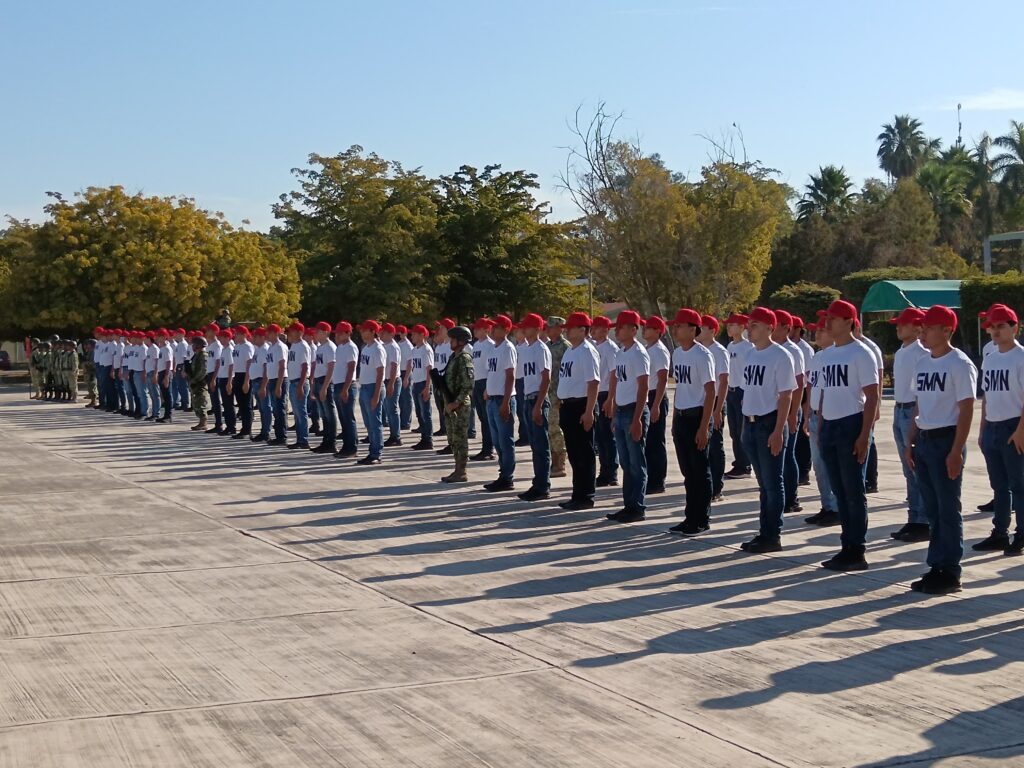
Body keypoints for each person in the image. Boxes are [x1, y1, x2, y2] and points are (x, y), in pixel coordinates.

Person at [904, 305, 976, 594]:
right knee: (932, 509)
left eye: (929, 327)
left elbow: (967, 407)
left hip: (946, 439)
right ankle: (937, 565)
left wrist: (956, 450)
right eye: (922, 326)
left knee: (947, 509)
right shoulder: (923, 363)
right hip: (925, 439)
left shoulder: (959, 364)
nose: (923, 331)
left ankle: (950, 570)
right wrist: (911, 439)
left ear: (947, 330)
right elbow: (919, 404)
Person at [816, 300, 881, 571]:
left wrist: (864, 434)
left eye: (833, 318)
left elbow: (873, 396)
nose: (827, 323)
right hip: (830, 425)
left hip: (850, 424)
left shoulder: (860, 353)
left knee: (853, 490)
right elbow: (822, 394)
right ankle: (846, 545)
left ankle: (857, 549)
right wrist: (820, 425)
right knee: (839, 490)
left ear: (849, 322)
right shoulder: (827, 355)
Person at [739, 307, 797, 553]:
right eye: (749, 325)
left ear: (769, 328)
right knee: (764, 484)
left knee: (773, 483)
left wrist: (778, 430)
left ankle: (772, 535)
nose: (749, 329)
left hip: (768, 422)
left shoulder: (780, 355)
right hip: (749, 423)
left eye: (754, 325)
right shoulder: (751, 355)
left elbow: (786, 395)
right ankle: (764, 532)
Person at [975, 304, 1024, 555]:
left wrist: (1020, 430)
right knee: (999, 486)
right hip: (993, 426)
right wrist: (983, 430)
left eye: (1001, 326)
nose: (995, 331)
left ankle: (1021, 535)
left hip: (1013, 426)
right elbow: (987, 397)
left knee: (1019, 485)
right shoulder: (991, 358)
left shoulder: (1021, 357)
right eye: (992, 327)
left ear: (1015, 328)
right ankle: (1000, 533)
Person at [668, 308, 716, 535]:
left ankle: (701, 519)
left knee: (700, 470)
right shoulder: (677, 353)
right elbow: (681, 387)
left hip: (697, 416)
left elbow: (710, 391)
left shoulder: (702, 355)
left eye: (680, 325)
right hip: (682, 416)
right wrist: (675, 417)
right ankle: (690, 517)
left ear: (692, 329)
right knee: (688, 471)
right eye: (675, 325)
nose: (676, 329)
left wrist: (704, 426)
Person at [887, 308, 931, 542]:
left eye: (903, 324)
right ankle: (914, 517)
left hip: (912, 410)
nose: (898, 327)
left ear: (917, 327)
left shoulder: (921, 353)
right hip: (899, 408)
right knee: (908, 469)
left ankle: (922, 520)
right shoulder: (901, 351)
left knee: (916, 468)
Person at [605, 310, 651, 523]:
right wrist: (613, 407)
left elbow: (643, 387)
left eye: (622, 327)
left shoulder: (638, 353)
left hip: (634, 410)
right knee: (625, 462)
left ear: (633, 329)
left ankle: (637, 507)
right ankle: (628, 505)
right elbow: (616, 381)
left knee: (636, 462)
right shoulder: (621, 352)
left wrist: (638, 419)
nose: (617, 330)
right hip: (622, 410)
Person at [556, 312, 601, 510]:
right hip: (568, 406)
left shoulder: (586, 351)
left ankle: (586, 496)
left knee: (584, 453)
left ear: (583, 330)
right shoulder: (570, 351)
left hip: (581, 406)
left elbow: (593, 383)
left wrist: (589, 410)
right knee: (574, 454)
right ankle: (577, 493)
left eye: (571, 327)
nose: (567, 330)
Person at [802, 321, 840, 527]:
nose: (817, 333)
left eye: (822, 330)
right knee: (819, 465)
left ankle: (836, 507)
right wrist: (807, 414)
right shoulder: (817, 357)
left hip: (828, 417)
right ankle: (827, 506)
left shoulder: (836, 355)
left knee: (830, 464)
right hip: (815, 415)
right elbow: (811, 387)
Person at [771, 310, 806, 514]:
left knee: (787, 454)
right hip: (774, 410)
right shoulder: (771, 349)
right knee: (778, 456)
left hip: (790, 409)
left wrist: (794, 413)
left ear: (786, 328)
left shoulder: (793, 351)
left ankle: (791, 498)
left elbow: (799, 384)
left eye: (777, 324)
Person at [516, 313, 553, 501]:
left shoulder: (541, 349)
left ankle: (543, 486)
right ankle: (537, 482)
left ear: (537, 329)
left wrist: (538, 405)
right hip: (527, 398)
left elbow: (546, 378)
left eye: (528, 326)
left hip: (537, 399)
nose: (524, 329)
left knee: (541, 446)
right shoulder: (527, 349)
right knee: (535, 446)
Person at [483, 314, 518, 491]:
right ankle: (502, 473)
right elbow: (492, 372)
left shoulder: (507, 348)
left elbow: (510, 376)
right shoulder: (492, 348)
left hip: (503, 399)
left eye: (495, 327)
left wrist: (506, 402)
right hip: (492, 398)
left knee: (505, 441)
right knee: (497, 441)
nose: (492, 329)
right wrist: (487, 390)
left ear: (505, 330)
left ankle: (507, 477)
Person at [699, 314, 730, 501]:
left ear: (712, 330)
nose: (699, 331)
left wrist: (718, 409)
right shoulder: (700, 350)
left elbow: (724, 381)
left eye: (702, 328)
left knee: (716, 445)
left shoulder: (719, 351)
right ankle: (706, 485)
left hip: (716, 399)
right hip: (702, 400)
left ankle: (717, 488)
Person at [441, 325, 475, 483]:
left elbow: (468, 384)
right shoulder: (453, 357)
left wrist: (457, 402)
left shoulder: (464, 358)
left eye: (453, 339)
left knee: (460, 438)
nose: (450, 342)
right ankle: (457, 469)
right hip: (450, 403)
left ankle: (461, 471)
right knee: (453, 438)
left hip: (459, 405)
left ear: (460, 341)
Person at [853, 322, 885, 493]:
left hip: (867, 403)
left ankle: (871, 479)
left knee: (868, 441)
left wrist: (877, 405)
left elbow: (878, 378)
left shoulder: (869, 348)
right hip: (858, 404)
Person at [642, 315, 671, 495]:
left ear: (658, 331)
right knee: (647, 441)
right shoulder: (646, 349)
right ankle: (650, 478)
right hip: (647, 396)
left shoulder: (659, 351)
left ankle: (658, 480)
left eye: (649, 327)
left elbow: (662, 380)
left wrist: (656, 405)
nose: (644, 330)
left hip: (655, 397)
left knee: (655, 441)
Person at [724, 314, 754, 479]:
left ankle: (745, 465)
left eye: (733, 325)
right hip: (731, 391)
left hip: (742, 392)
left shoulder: (748, 347)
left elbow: (749, 373)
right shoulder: (729, 346)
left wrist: (747, 392)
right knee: (734, 431)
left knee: (742, 430)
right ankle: (739, 463)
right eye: (728, 325)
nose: (729, 328)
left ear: (743, 327)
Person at [591, 316, 620, 487]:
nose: (592, 331)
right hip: (597, 394)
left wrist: (611, 399)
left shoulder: (610, 349)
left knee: (609, 436)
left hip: (606, 394)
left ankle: (612, 473)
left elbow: (614, 375)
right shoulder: (594, 346)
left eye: (596, 328)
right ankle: (604, 470)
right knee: (600, 437)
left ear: (605, 330)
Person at [357, 320, 387, 465]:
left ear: (372, 331)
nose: (362, 333)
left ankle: (376, 453)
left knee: (375, 422)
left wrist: (376, 395)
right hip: (364, 387)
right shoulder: (365, 348)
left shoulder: (377, 348)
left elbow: (380, 372)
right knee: (369, 423)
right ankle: (371, 450)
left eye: (364, 330)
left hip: (373, 387)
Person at [546, 317, 571, 479]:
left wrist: (562, 395)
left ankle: (559, 463)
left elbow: (567, 373)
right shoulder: (547, 346)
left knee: (556, 429)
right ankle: (552, 460)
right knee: (549, 429)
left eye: (551, 327)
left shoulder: (566, 347)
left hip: (558, 395)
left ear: (559, 328)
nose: (547, 330)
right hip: (547, 394)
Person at [790, 316, 814, 485]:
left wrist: (805, 405)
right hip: (789, 393)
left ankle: (803, 472)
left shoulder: (805, 350)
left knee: (802, 437)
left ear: (797, 330)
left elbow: (807, 378)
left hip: (802, 393)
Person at [332, 322, 360, 458]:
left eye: (340, 333)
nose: (337, 335)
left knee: (348, 418)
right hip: (338, 384)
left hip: (346, 385)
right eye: (336, 333)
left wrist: (346, 388)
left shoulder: (350, 347)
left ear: (348, 333)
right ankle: (347, 445)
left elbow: (351, 368)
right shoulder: (340, 348)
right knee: (343, 418)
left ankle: (351, 447)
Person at [470, 318, 496, 461]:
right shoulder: (476, 345)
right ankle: (485, 448)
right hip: (477, 383)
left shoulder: (490, 345)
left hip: (486, 382)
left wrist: (488, 387)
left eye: (478, 328)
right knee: (482, 418)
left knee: (487, 418)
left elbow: (491, 368)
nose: (475, 331)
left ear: (486, 330)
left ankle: (489, 449)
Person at [311, 321, 338, 454]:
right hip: (318, 380)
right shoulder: (320, 347)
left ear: (325, 332)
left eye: (318, 332)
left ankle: (331, 442)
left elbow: (331, 368)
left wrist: (325, 387)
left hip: (325, 381)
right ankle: (326, 441)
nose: (315, 334)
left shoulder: (330, 347)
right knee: (324, 415)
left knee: (329, 413)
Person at [408, 324, 435, 450]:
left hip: (423, 383)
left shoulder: (426, 349)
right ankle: (423, 437)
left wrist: (427, 387)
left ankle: (428, 439)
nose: (412, 336)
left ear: (422, 335)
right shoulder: (414, 350)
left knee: (426, 413)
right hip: (416, 383)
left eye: (414, 334)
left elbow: (429, 369)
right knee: (419, 412)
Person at [286, 322, 312, 450]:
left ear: (300, 332)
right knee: (296, 413)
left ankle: (303, 440)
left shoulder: (302, 346)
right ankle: (299, 439)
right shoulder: (294, 346)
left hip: (299, 382)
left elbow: (305, 366)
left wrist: (301, 385)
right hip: (293, 381)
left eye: (293, 331)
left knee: (301, 413)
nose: (290, 333)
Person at [263, 324, 288, 445]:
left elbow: (282, 367)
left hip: (279, 380)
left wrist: (278, 386)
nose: (267, 335)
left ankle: (281, 436)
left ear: (276, 333)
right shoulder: (270, 348)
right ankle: (278, 434)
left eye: (269, 332)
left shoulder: (280, 347)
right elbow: (269, 366)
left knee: (279, 409)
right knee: (275, 409)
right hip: (272, 379)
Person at [229, 326, 255, 438]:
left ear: (244, 335)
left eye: (238, 334)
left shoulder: (247, 346)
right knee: (241, 404)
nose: (236, 336)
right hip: (237, 375)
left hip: (245, 375)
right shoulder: (236, 347)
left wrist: (246, 381)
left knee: (246, 404)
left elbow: (249, 363)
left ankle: (247, 429)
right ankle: (244, 428)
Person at [432, 319, 455, 441]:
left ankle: (449, 432)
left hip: (447, 380)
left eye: (442, 328)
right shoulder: (440, 347)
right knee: (440, 406)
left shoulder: (451, 346)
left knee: (449, 408)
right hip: (439, 379)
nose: (439, 330)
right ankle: (443, 427)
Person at [249, 327, 271, 443]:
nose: (253, 339)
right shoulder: (257, 349)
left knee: (265, 408)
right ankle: (263, 431)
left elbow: (266, 369)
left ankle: (266, 432)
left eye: (256, 336)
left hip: (261, 381)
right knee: (262, 409)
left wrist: (263, 386)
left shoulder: (265, 350)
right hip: (256, 381)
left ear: (262, 337)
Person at [204, 325, 224, 434]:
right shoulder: (209, 345)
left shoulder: (217, 346)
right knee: (213, 400)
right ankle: (217, 423)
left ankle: (219, 424)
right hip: (209, 373)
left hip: (214, 374)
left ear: (214, 332)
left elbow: (218, 363)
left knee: (216, 400)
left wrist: (214, 378)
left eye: (208, 330)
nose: (207, 332)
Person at [188, 334, 210, 430]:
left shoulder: (203, 355)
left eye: (194, 344)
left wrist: (195, 380)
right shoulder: (196, 355)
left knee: (201, 401)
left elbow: (203, 370)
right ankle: (201, 421)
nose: (193, 346)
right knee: (196, 401)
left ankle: (203, 422)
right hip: (195, 381)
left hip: (200, 382)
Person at [396, 325, 414, 431]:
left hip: (405, 372)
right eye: (398, 332)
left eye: (401, 333)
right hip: (399, 372)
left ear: (405, 333)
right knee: (401, 399)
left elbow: (410, 362)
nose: (399, 335)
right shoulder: (399, 344)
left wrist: (406, 377)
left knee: (406, 398)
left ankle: (406, 421)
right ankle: (402, 419)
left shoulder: (407, 345)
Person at [81, 338, 97, 407]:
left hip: (92, 371)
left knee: (92, 386)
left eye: (89, 344)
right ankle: (92, 400)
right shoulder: (89, 351)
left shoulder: (93, 352)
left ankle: (94, 401)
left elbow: (93, 362)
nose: (87, 345)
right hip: (88, 371)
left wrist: (85, 363)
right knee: (89, 386)